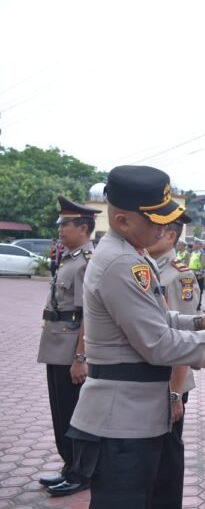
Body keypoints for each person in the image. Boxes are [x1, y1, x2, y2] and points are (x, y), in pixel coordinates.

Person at [67, 165, 205, 507]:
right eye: (154, 219)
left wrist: (200, 321)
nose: (163, 227)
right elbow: (156, 345)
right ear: (122, 221)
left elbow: (156, 318)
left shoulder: (129, 253)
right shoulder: (121, 262)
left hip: (132, 416)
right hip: (122, 422)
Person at [37, 196, 101, 497]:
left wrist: (80, 357)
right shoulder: (69, 257)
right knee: (61, 412)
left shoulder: (87, 263)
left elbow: (89, 314)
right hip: (55, 345)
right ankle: (69, 466)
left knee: (76, 414)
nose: (60, 229)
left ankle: (81, 473)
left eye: (66, 224)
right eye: (61, 224)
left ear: (83, 228)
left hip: (70, 349)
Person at [146, 217, 200, 509]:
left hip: (170, 381)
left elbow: (183, 337)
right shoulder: (146, 267)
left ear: (170, 237)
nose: (151, 233)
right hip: (149, 378)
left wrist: (175, 393)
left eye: (158, 230)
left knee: (166, 455)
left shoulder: (179, 276)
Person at [188, 237, 205, 311]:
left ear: (200, 244)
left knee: (198, 290)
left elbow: (203, 264)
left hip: (198, 275)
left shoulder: (202, 253)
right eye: (194, 243)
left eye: (196, 243)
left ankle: (198, 305)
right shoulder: (193, 253)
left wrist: (201, 274)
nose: (194, 245)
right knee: (192, 290)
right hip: (192, 273)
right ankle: (193, 304)